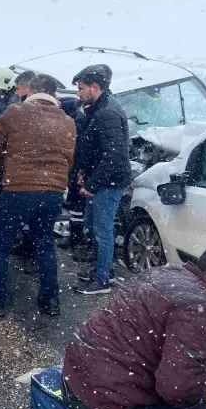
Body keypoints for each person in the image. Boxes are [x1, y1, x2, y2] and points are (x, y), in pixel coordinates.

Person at [63, 239, 206, 409]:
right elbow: (176, 390)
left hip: (76, 382)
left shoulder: (171, 273)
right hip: (101, 407)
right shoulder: (204, 312)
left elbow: (169, 346)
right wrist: (204, 395)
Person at [0, 74, 76, 318]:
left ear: (31, 91)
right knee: (44, 243)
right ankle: (50, 300)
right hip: (52, 192)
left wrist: (1, 168)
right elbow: (70, 159)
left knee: (1, 243)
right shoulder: (67, 122)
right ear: (54, 94)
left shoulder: (15, 112)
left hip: (18, 189)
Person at [72, 64, 131, 295]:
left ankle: (102, 280)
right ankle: (102, 269)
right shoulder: (98, 107)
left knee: (102, 230)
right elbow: (94, 148)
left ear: (94, 87)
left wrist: (92, 184)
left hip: (109, 182)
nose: (78, 93)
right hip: (100, 178)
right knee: (93, 226)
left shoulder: (107, 112)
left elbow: (113, 155)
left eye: (81, 88)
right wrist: (83, 171)